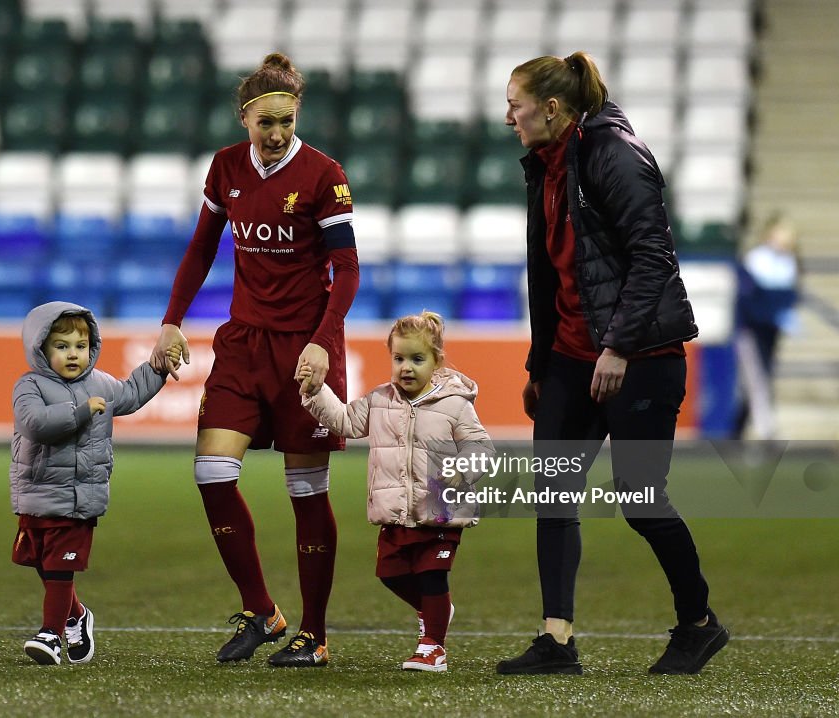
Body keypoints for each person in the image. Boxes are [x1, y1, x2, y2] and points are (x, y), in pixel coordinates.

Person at [496, 52, 729, 676]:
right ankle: (556, 640)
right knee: (554, 494)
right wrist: (540, 365)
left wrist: (619, 346)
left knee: (641, 500)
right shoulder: (544, 164)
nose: (507, 117)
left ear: (550, 108)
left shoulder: (614, 153)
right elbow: (550, 276)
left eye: (514, 105)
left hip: (642, 357)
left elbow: (654, 257)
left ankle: (699, 624)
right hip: (573, 358)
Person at [148, 53, 359, 667]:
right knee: (211, 474)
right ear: (245, 117)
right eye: (265, 121)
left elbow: (345, 270)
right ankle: (262, 610)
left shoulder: (324, 175)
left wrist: (323, 340)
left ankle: (314, 635)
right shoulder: (226, 168)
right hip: (242, 342)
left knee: (305, 489)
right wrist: (171, 321)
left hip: (304, 345)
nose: (276, 133)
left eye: (286, 121)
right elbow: (199, 249)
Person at [298, 311, 491, 672]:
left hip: (440, 512)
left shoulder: (454, 403)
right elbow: (344, 421)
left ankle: (433, 647)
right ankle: (435, 610)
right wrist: (315, 391)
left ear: (437, 361)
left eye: (417, 359)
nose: (406, 367)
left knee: (433, 576)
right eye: (399, 358)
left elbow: (480, 447)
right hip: (397, 511)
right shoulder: (379, 400)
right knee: (391, 574)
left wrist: (461, 471)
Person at [11, 301, 179, 665]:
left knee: (59, 566)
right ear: (40, 349)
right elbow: (34, 424)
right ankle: (77, 616)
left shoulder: (100, 382)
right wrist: (81, 411)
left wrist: (159, 367)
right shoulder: (29, 386)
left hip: (80, 496)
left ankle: (52, 635)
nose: (73, 354)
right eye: (62, 346)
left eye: (80, 346)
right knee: (44, 563)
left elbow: (132, 393)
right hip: (37, 492)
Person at [732, 212, 801, 439]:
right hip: (750, 331)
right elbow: (750, 302)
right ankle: (766, 431)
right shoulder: (756, 260)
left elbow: (789, 296)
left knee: (755, 382)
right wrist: (773, 313)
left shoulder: (788, 263)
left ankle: (735, 434)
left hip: (770, 332)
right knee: (757, 380)